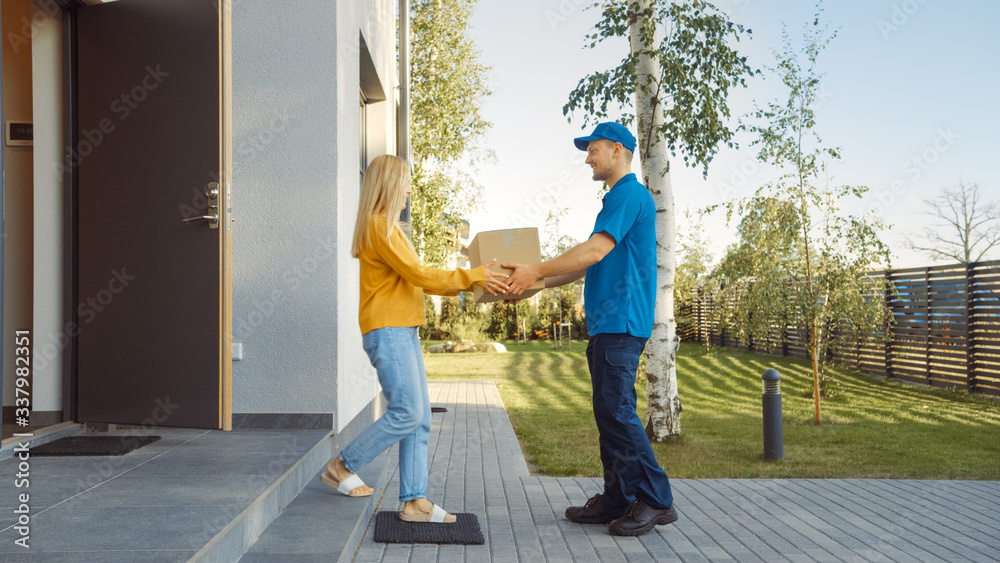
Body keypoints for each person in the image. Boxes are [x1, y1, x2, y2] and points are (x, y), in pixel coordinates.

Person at [503, 122, 677, 536]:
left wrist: (534, 270)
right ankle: (617, 498)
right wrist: (531, 285)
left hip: (622, 323)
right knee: (608, 413)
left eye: (593, 150)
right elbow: (589, 261)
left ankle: (655, 499)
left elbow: (595, 249)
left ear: (617, 150)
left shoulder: (630, 194)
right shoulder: (616, 200)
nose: (587, 158)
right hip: (607, 325)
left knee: (617, 411)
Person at [322, 154, 508, 523]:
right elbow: (419, 274)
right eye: (405, 181)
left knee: (419, 418)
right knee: (408, 413)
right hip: (387, 330)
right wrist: (473, 276)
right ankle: (343, 465)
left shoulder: (390, 230)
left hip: (401, 329)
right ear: (389, 184)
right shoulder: (378, 227)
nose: (409, 189)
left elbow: (417, 277)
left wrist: (472, 279)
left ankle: (413, 502)